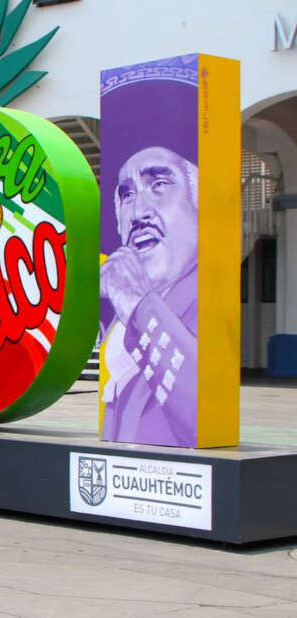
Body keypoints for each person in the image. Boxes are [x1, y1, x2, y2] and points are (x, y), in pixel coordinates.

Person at [100, 146, 198, 446]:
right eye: (127, 195)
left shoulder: (202, 302)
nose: (138, 212)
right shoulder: (118, 318)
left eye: (159, 185)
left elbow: (202, 407)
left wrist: (139, 306)